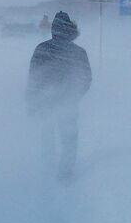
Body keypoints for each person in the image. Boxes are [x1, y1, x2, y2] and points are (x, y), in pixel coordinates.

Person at [26, 11, 91, 182]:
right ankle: (65, 172)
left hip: (46, 102)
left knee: (47, 134)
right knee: (69, 138)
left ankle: (48, 165)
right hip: (69, 103)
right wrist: (75, 96)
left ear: (53, 29)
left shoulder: (42, 48)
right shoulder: (79, 52)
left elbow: (33, 78)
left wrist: (32, 101)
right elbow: (86, 78)